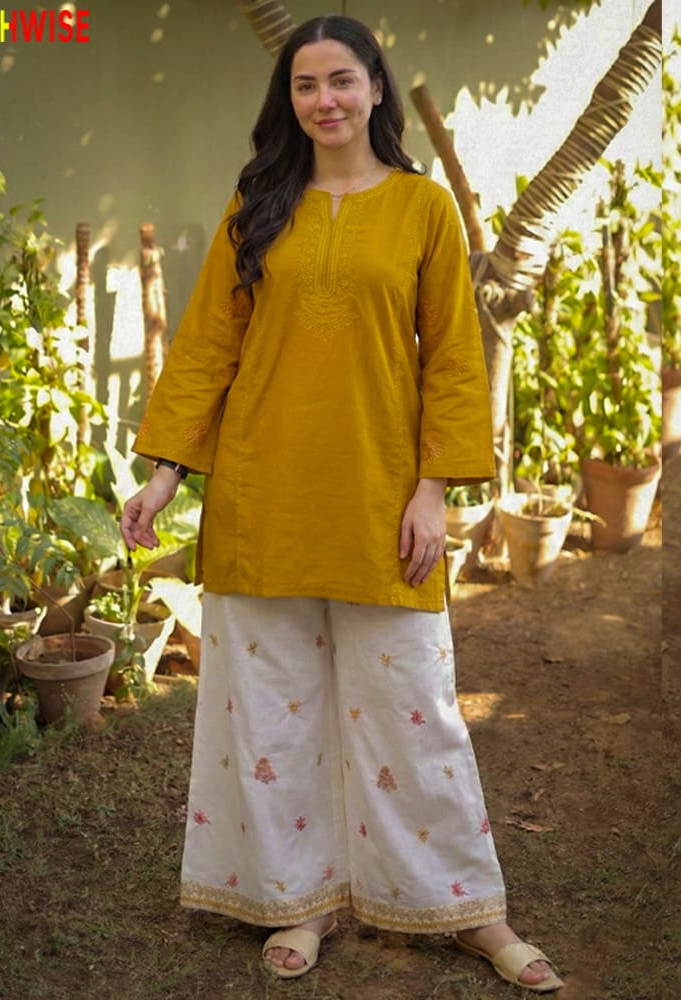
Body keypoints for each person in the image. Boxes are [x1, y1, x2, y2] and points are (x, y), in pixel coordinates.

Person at [121, 14, 563, 994]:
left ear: (374, 87)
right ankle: (298, 899)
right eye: (305, 85)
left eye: (341, 80)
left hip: (378, 499)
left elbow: (453, 360)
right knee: (271, 716)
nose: (324, 100)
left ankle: (470, 909)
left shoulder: (423, 209)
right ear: (290, 102)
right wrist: (163, 475)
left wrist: (434, 489)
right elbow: (205, 352)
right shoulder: (259, 205)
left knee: (416, 709)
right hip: (261, 495)